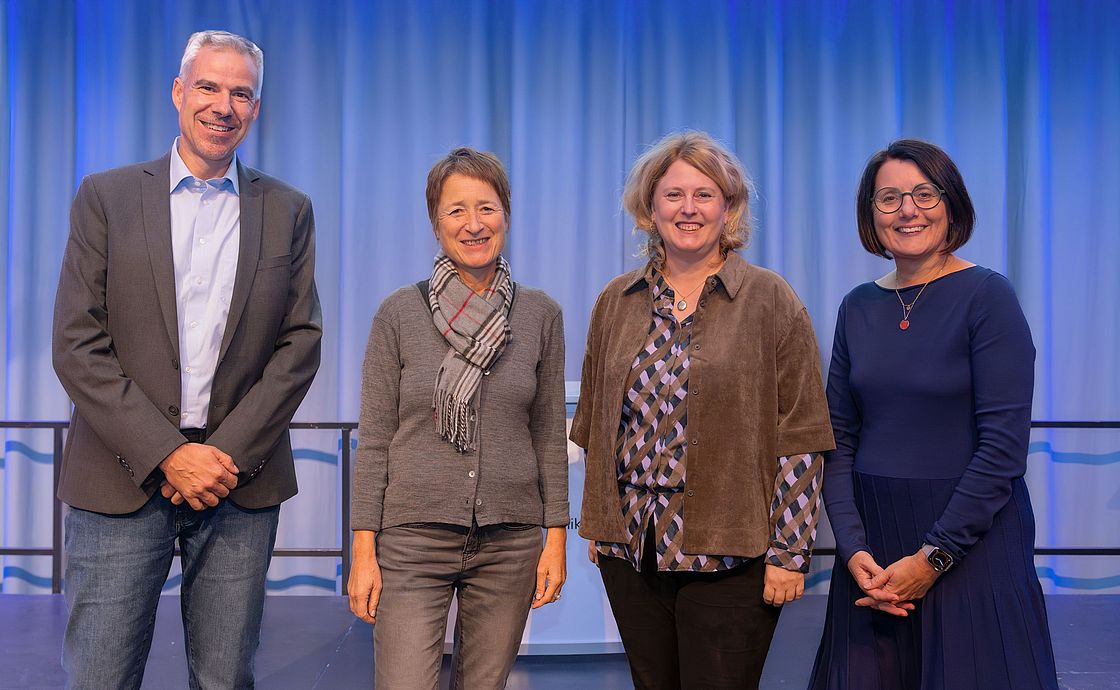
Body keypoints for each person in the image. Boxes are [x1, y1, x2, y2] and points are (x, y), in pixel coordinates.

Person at [51, 30, 322, 689]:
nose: (222, 105)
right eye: (208, 86)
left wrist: (220, 455)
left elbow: (300, 344)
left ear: (255, 108)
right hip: (120, 478)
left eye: (241, 93)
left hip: (238, 481)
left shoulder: (287, 209)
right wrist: (170, 454)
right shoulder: (106, 197)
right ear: (178, 92)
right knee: (98, 678)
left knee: (226, 680)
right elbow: (75, 342)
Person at [570, 131, 835, 689]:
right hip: (632, 551)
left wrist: (790, 551)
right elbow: (597, 424)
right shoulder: (615, 301)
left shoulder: (770, 299)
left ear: (729, 207)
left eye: (704, 194)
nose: (688, 209)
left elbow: (802, 435)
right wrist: (600, 521)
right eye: (673, 195)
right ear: (648, 207)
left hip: (732, 552)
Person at [808, 139, 1058, 689]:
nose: (907, 210)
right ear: (870, 215)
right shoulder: (857, 306)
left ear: (952, 204)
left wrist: (934, 557)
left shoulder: (987, 296)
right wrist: (853, 552)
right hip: (874, 549)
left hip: (972, 542)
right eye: (889, 198)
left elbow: (1002, 449)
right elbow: (839, 439)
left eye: (925, 193)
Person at [347, 147, 568, 689]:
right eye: (456, 211)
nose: (474, 225)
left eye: (487, 208)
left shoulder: (540, 314)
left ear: (507, 216)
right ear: (435, 223)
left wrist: (556, 537)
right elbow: (374, 441)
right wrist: (363, 551)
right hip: (412, 540)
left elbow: (547, 435)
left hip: (510, 540)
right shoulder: (399, 313)